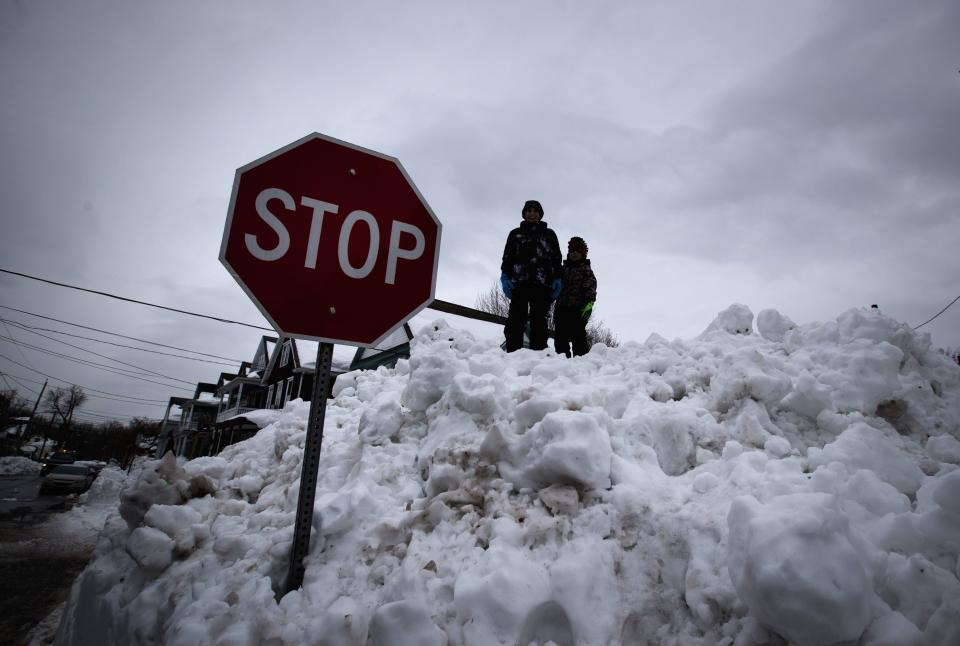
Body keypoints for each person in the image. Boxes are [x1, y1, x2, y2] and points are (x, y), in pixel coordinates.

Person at [500, 199, 563, 351]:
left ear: (540, 214)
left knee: (539, 320)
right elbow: (507, 257)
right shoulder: (515, 234)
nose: (532, 214)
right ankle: (512, 351)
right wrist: (505, 276)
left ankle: (539, 353)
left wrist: (558, 278)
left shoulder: (549, 234)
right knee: (516, 318)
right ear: (524, 213)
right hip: (519, 283)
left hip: (542, 284)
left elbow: (557, 258)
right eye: (529, 211)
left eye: (535, 211)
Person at [553, 236, 597, 357]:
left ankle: (581, 363)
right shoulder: (563, 269)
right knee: (560, 338)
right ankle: (562, 360)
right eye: (572, 251)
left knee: (579, 338)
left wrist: (589, 304)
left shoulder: (586, 270)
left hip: (578, 310)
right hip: (561, 308)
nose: (574, 254)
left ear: (583, 253)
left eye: (577, 251)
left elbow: (591, 288)